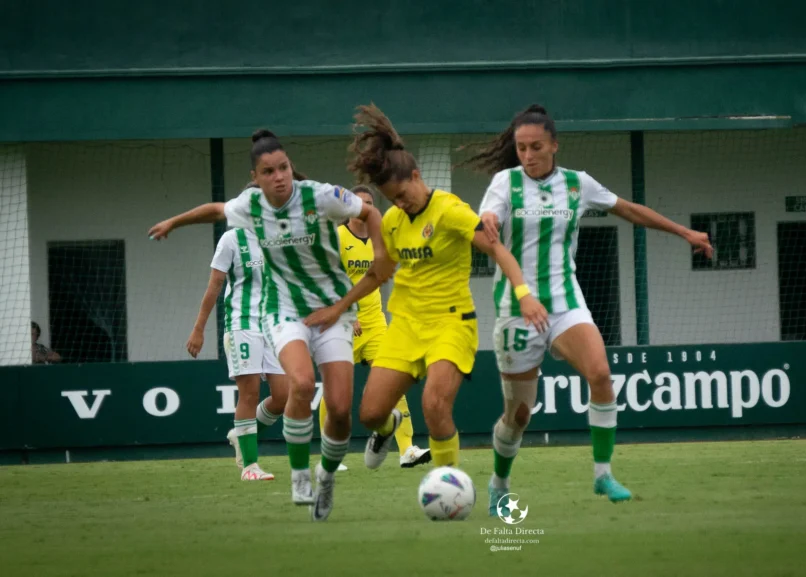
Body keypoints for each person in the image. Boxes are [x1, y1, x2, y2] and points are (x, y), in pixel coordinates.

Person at [461, 104, 713, 514]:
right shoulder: (504, 183)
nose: (528, 155)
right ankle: (499, 482)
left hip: (565, 302)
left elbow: (628, 209)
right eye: (521, 148)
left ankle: (602, 474)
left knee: (600, 373)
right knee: (518, 417)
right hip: (517, 308)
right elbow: (489, 216)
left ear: (555, 145)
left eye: (536, 147)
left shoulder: (578, 185)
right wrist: (488, 218)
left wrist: (683, 232)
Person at [149, 129, 388, 522]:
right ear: (256, 177)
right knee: (301, 383)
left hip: (332, 309)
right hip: (283, 310)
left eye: (284, 168)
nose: (279, 176)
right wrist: (174, 222)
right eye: (268, 171)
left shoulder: (321, 196)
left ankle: (324, 476)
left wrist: (379, 254)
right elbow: (214, 209)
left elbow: (370, 213)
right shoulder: (249, 207)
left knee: (341, 410)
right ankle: (298, 476)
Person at [304, 103, 547, 475]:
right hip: (405, 325)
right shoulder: (393, 222)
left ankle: (448, 483)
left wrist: (524, 294)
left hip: (451, 323)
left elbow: (497, 248)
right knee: (370, 413)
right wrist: (339, 308)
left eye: (403, 194)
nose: (400, 203)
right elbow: (377, 274)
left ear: (417, 175)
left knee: (435, 404)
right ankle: (388, 431)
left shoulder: (449, 211)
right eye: (393, 199)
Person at [318, 185, 431, 469]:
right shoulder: (339, 237)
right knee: (334, 392)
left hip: (376, 322)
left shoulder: (379, 238)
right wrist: (347, 313)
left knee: (395, 382)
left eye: (369, 203)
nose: (365, 208)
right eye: (360, 203)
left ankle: (407, 449)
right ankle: (329, 452)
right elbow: (328, 280)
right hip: (344, 324)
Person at [186, 226, 289, 481]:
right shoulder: (232, 239)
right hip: (242, 324)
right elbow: (214, 287)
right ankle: (250, 466)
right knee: (250, 392)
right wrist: (199, 329)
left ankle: (240, 435)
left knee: (284, 395)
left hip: (274, 325)